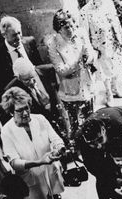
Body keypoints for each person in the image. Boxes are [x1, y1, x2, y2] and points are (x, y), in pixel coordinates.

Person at [0, 87, 72, 199]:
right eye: (20, 110)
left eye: (27, 108)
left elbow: (55, 138)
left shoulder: (40, 119)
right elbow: (14, 162)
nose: (25, 113)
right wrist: (39, 162)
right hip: (28, 181)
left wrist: (58, 148)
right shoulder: (7, 131)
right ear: (11, 111)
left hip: (47, 175)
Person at [47, 9, 96, 142]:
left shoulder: (80, 33)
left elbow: (90, 52)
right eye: (66, 26)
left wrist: (89, 58)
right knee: (74, 126)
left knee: (91, 119)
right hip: (70, 91)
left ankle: (92, 145)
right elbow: (61, 70)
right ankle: (77, 148)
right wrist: (79, 60)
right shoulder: (53, 45)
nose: (71, 29)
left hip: (87, 84)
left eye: (72, 24)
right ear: (59, 29)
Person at [0, 16, 55, 99]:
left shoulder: (30, 42)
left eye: (19, 33)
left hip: (40, 88)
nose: (19, 38)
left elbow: (39, 65)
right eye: (14, 35)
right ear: (4, 35)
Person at [80, 0, 122, 106]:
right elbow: (85, 34)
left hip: (113, 41)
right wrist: (91, 50)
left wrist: (121, 39)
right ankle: (109, 93)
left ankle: (115, 88)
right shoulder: (85, 11)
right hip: (100, 47)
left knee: (116, 66)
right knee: (104, 71)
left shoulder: (108, 3)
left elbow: (116, 22)